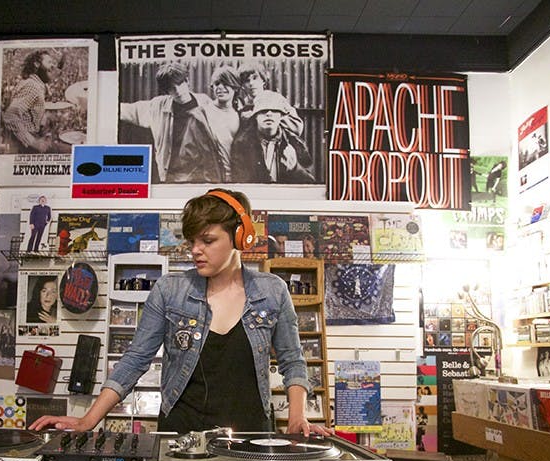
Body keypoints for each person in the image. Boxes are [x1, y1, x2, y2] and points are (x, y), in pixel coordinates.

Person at [31, 189, 332, 437]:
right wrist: (88, 419)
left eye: (208, 240)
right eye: (192, 242)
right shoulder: (169, 290)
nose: (195, 250)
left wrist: (296, 419)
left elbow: (293, 361)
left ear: (241, 237)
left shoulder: (273, 291)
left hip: (250, 436)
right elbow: (135, 360)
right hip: (180, 436)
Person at [119, 62, 220, 183]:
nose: (177, 90)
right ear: (166, 90)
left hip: (201, 176)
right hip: (171, 176)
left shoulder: (205, 102)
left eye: (179, 83)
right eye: (171, 87)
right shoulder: (157, 106)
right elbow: (123, 110)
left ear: (187, 81)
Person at [231, 91, 313, 184]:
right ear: (256, 116)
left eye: (274, 110)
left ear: (281, 116)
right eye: (263, 111)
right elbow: (240, 181)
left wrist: (295, 168)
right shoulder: (242, 144)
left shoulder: (295, 144)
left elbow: (311, 183)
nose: (269, 114)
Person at [2, 49, 61, 154]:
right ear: (37, 64)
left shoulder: (35, 84)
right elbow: (10, 116)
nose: (53, 66)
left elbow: (27, 114)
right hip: (24, 148)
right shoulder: (32, 86)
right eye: (49, 62)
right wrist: (34, 142)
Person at [237, 62, 304, 137]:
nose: (251, 83)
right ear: (242, 85)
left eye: (255, 78)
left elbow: (297, 127)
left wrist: (269, 118)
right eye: (247, 80)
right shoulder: (241, 105)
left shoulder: (276, 99)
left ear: (263, 80)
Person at [202, 66, 242, 180]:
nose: (220, 87)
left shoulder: (241, 115)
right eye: (217, 83)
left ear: (235, 87)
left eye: (225, 83)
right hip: (212, 177)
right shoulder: (203, 112)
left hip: (237, 177)